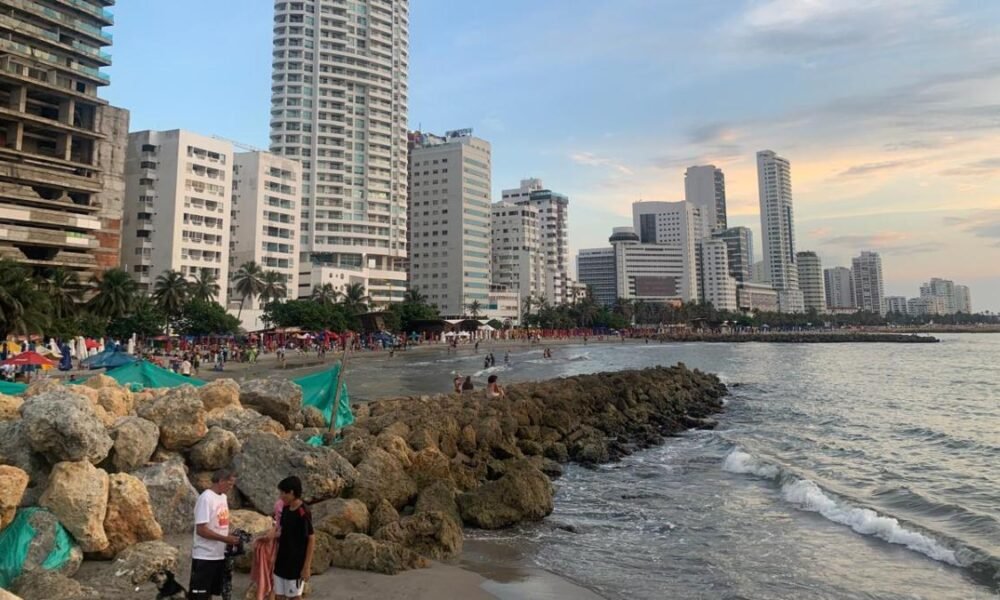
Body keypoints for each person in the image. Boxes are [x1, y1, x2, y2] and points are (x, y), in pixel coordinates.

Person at [189, 469, 239, 600]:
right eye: (229, 484)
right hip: (204, 555)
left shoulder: (223, 497)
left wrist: (228, 537)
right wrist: (225, 539)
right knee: (199, 594)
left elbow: (219, 523)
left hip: (218, 555)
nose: (231, 487)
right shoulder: (205, 498)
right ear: (221, 481)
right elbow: (201, 529)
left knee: (210, 592)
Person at [270, 476, 314, 600]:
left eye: (283, 493)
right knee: (279, 595)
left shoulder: (303, 512)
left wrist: (306, 566)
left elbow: (311, 538)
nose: (281, 496)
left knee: (295, 596)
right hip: (282, 560)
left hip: (295, 563)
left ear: (292, 492)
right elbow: (283, 532)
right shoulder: (285, 508)